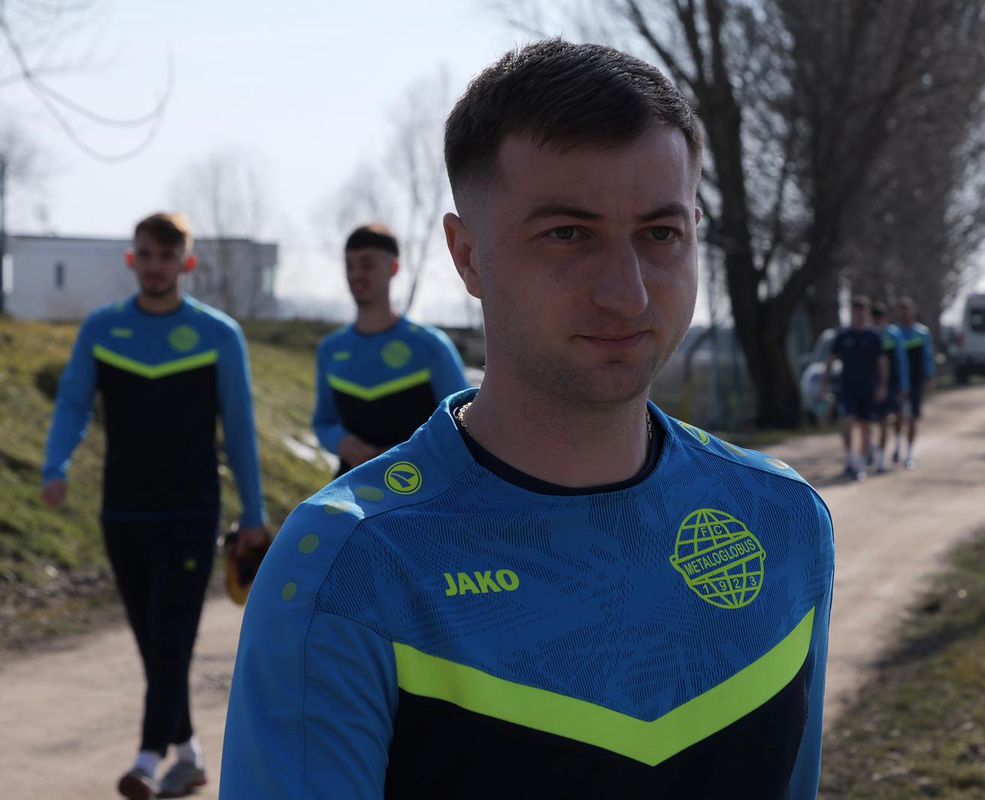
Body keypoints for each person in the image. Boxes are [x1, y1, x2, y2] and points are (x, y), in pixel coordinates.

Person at [222, 39, 835, 799]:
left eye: (660, 233)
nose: (628, 294)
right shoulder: (349, 567)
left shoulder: (783, 518)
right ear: (467, 255)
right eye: (568, 234)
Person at [41, 212, 269, 799]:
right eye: (145, 254)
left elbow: (240, 427)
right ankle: (188, 753)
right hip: (123, 511)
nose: (155, 266)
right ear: (132, 259)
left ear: (186, 264)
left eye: (167, 256)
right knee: (152, 640)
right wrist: (55, 465)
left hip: (191, 512)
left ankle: (146, 759)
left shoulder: (219, 335)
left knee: (171, 638)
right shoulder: (102, 329)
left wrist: (253, 513)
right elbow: (73, 404)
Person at [312, 223, 471, 476]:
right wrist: (340, 441)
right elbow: (323, 422)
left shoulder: (431, 346)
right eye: (349, 265)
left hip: (423, 489)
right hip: (353, 488)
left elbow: (465, 427)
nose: (356, 274)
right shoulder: (331, 350)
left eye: (367, 264)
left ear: (393, 268)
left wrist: (407, 453)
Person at [821, 296, 888, 481]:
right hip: (848, 387)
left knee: (865, 426)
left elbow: (883, 363)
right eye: (856, 312)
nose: (859, 316)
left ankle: (861, 465)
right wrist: (824, 385)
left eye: (862, 313)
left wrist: (882, 386)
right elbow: (830, 361)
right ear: (852, 313)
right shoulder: (843, 336)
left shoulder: (874, 337)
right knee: (848, 421)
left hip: (868, 387)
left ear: (866, 314)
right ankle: (850, 459)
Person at [895, 296, 936, 469]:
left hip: (916, 380)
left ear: (913, 312)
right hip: (897, 381)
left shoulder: (922, 333)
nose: (905, 314)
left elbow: (928, 356)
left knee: (912, 418)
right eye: (902, 311)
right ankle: (897, 445)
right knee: (898, 417)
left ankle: (909, 454)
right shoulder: (894, 333)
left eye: (907, 310)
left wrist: (929, 377)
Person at [870, 302, 909, 474]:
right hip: (873, 384)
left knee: (893, 418)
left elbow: (901, 360)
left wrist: (904, 385)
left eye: (880, 317)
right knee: (877, 421)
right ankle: (875, 453)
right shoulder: (869, 334)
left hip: (893, 383)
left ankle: (896, 446)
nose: (877, 320)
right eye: (875, 317)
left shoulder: (894, 334)